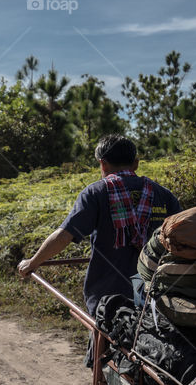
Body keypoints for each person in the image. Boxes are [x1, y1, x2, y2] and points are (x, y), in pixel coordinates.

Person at [17, 134, 181, 315]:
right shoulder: (164, 195)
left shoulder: (95, 193)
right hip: (154, 294)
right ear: (136, 163)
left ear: (103, 164)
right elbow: (182, 239)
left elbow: (64, 235)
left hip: (108, 296)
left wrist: (33, 262)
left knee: (102, 338)